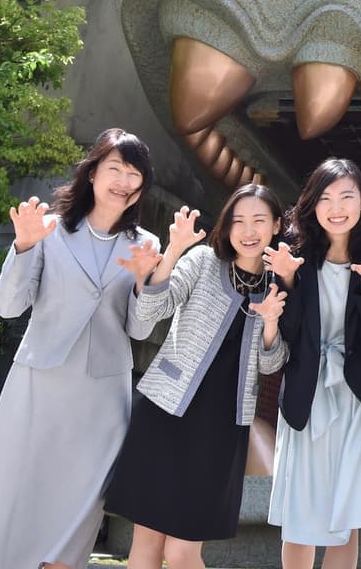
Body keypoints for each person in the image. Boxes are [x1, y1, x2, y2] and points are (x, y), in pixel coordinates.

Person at [0, 129, 157, 569]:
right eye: (115, 168)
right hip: (39, 384)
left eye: (134, 172)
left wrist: (145, 283)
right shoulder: (50, 229)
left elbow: (139, 330)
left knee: (79, 507)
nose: (123, 180)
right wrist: (24, 246)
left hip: (103, 398)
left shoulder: (146, 245)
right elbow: (8, 306)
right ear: (93, 172)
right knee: (12, 493)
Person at [104, 184, 289, 569]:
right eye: (238, 221)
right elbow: (150, 311)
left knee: (182, 551)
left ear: (276, 226)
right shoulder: (204, 261)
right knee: (146, 543)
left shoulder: (280, 285)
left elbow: (271, 365)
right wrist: (172, 251)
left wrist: (271, 322)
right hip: (164, 414)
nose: (248, 231)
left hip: (221, 432)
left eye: (259, 220)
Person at [267, 158, 361, 569]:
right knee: (300, 511)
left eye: (346, 197)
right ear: (312, 203)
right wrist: (286, 280)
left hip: (359, 397)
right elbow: (289, 330)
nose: (336, 208)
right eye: (325, 198)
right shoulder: (295, 253)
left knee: (347, 513)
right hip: (308, 391)